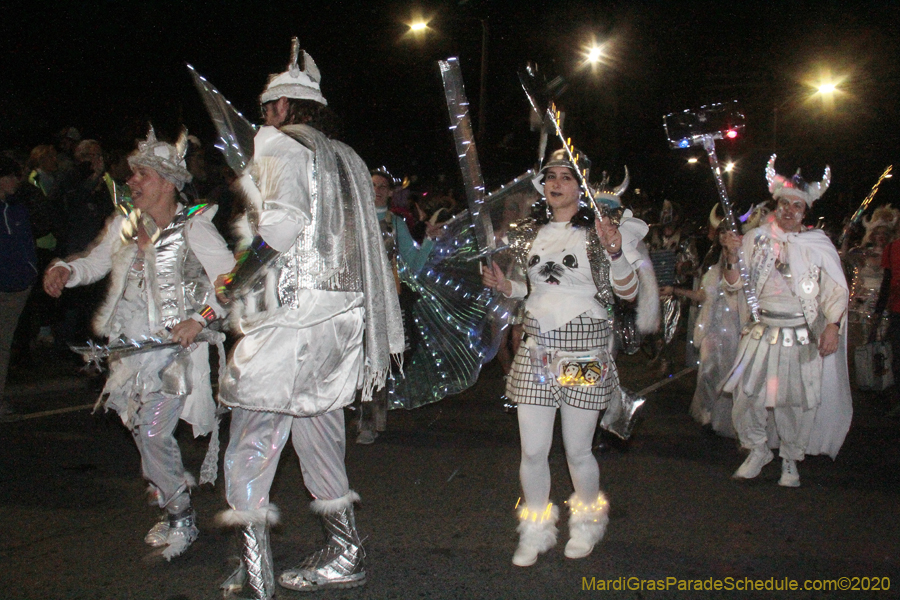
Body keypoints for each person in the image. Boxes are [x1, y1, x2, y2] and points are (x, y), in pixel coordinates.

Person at [214, 39, 403, 598]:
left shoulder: (277, 144)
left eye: (263, 106)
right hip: (338, 319)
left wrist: (235, 278)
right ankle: (346, 551)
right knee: (317, 432)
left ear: (278, 108)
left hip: (290, 320)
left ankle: (254, 570)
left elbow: (283, 228)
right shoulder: (344, 155)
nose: (260, 116)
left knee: (252, 434)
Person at [43, 126, 235, 558]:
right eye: (132, 174)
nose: (131, 181)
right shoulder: (124, 223)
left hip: (177, 353)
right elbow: (93, 262)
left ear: (167, 182)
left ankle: (181, 516)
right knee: (140, 430)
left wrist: (199, 317)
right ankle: (172, 502)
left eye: (141, 174)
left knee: (151, 432)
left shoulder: (195, 226)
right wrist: (65, 270)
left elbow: (231, 279)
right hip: (130, 351)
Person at [482, 149, 656, 567]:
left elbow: (628, 293)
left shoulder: (600, 232)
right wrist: (507, 286)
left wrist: (615, 251)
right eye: (551, 176)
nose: (557, 183)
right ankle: (536, 532)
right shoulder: (529, 233)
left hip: (582, 351)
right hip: (537, 351)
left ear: (581, 187)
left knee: (577, 450)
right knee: (532, 451)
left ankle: (587, 524)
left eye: (566, 177)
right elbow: (531, 290)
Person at [722, 155, 851, 487]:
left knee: (794, 400)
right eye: (784, 203)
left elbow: (835, 290)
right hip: (761, 331)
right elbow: (735, 284)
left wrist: (833, 325)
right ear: (775, 205)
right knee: (747, 397)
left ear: (805, 212)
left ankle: (791, 458)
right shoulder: (754, 239)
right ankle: (758, 449)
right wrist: (731, 254)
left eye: (797, 205)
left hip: (801, 334)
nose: (789, 210)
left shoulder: (817, 244)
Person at [684, 207, 740, 437]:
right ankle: (707, 413)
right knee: (707, 372)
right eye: (722, 234)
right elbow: (702, 296)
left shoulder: (743, 268)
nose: (725, 239)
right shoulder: (713, 267)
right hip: (711, 330)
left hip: (735, 332)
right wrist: (677, 290)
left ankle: (731, 420)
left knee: (733, 378)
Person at [0, 157, 39, 417]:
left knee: (3, 345)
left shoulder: (16, 209)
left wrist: (30, 273)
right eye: (12, 176)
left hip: (16, 288)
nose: (17, 181)